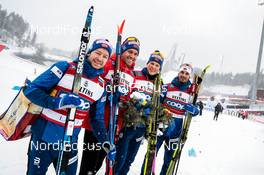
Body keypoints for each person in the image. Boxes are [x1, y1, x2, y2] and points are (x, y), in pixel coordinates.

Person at [23, 39, 115, 175]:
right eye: (98, 53)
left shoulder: (101, 86)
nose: (100, 58)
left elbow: (97, 119)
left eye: (105, 56)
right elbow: (30, 91)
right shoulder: (65, 68)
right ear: (89, 52)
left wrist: (105, 141)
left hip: (69, 144)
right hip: (43, 139)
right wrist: (58, 102)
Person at [79, 36, 140, 175]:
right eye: (130, 51)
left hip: (114, 126)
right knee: (89, 164)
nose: (132, 56)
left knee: (98, 164)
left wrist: (131, 105)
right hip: (96, 123)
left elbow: (129, 96)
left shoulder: (132, 74)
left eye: (136, 54)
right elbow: (94, 80)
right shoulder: (109, 64)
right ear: (122, 50)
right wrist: (108, 92)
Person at [141, 63, 200, 175]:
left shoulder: (191, 94)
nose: (183, 75)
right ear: (178, 73)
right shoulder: (167, 87)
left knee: (169, 159)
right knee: (150, 156)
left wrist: (194, 110)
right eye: (182, 72)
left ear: (189, 76)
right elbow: (156, 103)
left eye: (187, 73)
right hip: (161, 126)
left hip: (176, 130)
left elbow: (196, 111)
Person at [114, 50, 166, 175]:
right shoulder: (135, 74)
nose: (153, 67)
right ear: (147, 63)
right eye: (152, 63)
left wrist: (158, 116)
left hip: (142, 128)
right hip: (128, 125)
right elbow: (125, 95)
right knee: (119, 160)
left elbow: (159, 105)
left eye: (157, 65)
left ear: (160, 68)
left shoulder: (159, 85)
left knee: (129, 161)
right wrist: (133, 104)